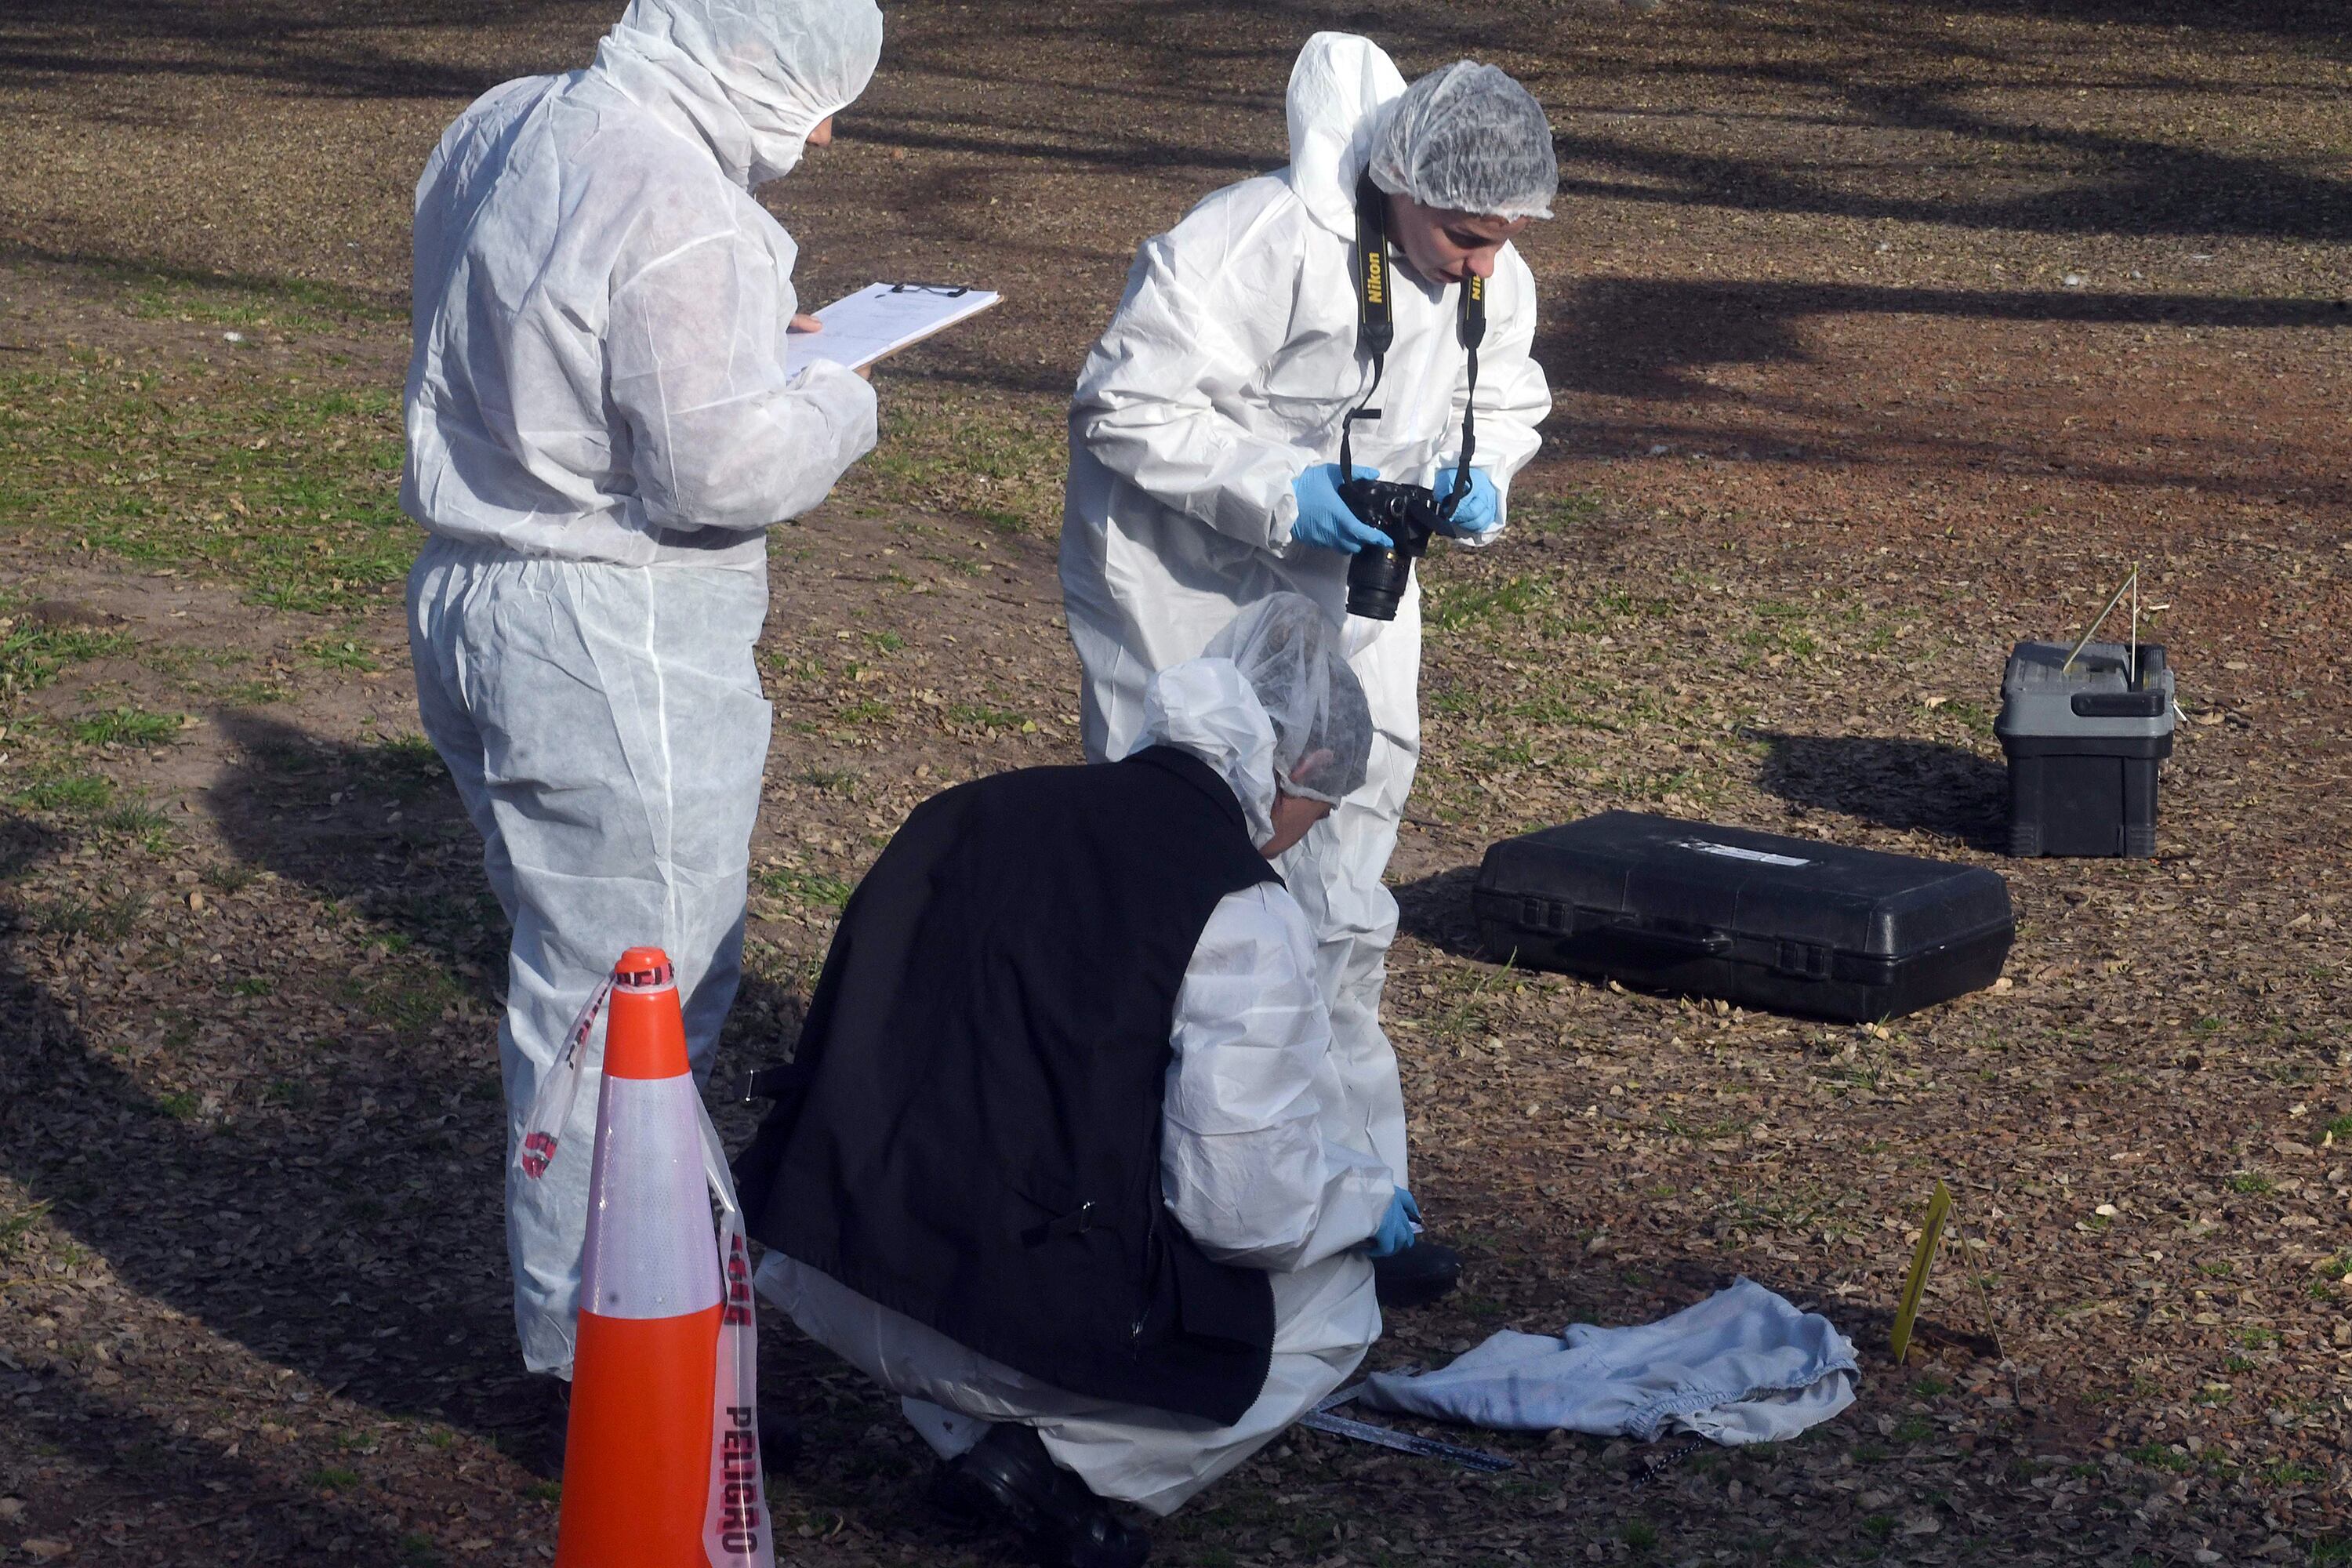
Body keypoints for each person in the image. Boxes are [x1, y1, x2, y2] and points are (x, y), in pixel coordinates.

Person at [401, 0, 884, 1388]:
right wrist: (839, 391)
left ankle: (616, 1333)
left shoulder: (505, 121)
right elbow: (714, 474)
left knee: (581, 980)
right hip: (612, 629)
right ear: (753, 59)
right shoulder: (689, 205)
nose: (826, 128)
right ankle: (611, 1376)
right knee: (635, 1010)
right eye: (814, 91)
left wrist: (735, 351)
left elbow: (540, 323)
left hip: (477, 586)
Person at [735, 595, 1410, 1568]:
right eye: (1325, 808)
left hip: (826, 1258)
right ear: (1299, 768)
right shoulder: (1239, 907)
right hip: (999, 1322)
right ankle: (1063, 1464)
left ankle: (971, 1442)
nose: (1307, 834)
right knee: (1339, 1304)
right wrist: (1363, 1203)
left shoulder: (970, 808)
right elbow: (1244, 1213)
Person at [1058, 34, 1556, 1307]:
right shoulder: (1246, 243)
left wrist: (1485, 475)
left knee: (1342, 897)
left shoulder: (1492, 274)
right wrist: (1278, 490)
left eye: (1501, 235)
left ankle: (1353, 1191)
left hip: (1354, 596)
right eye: (1462, 232)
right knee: (1187, 887)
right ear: (1397, 182)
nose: (1480, 259)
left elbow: (1504, 397)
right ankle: (1147, 1189)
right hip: (1184, 584)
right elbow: (1122, 406)